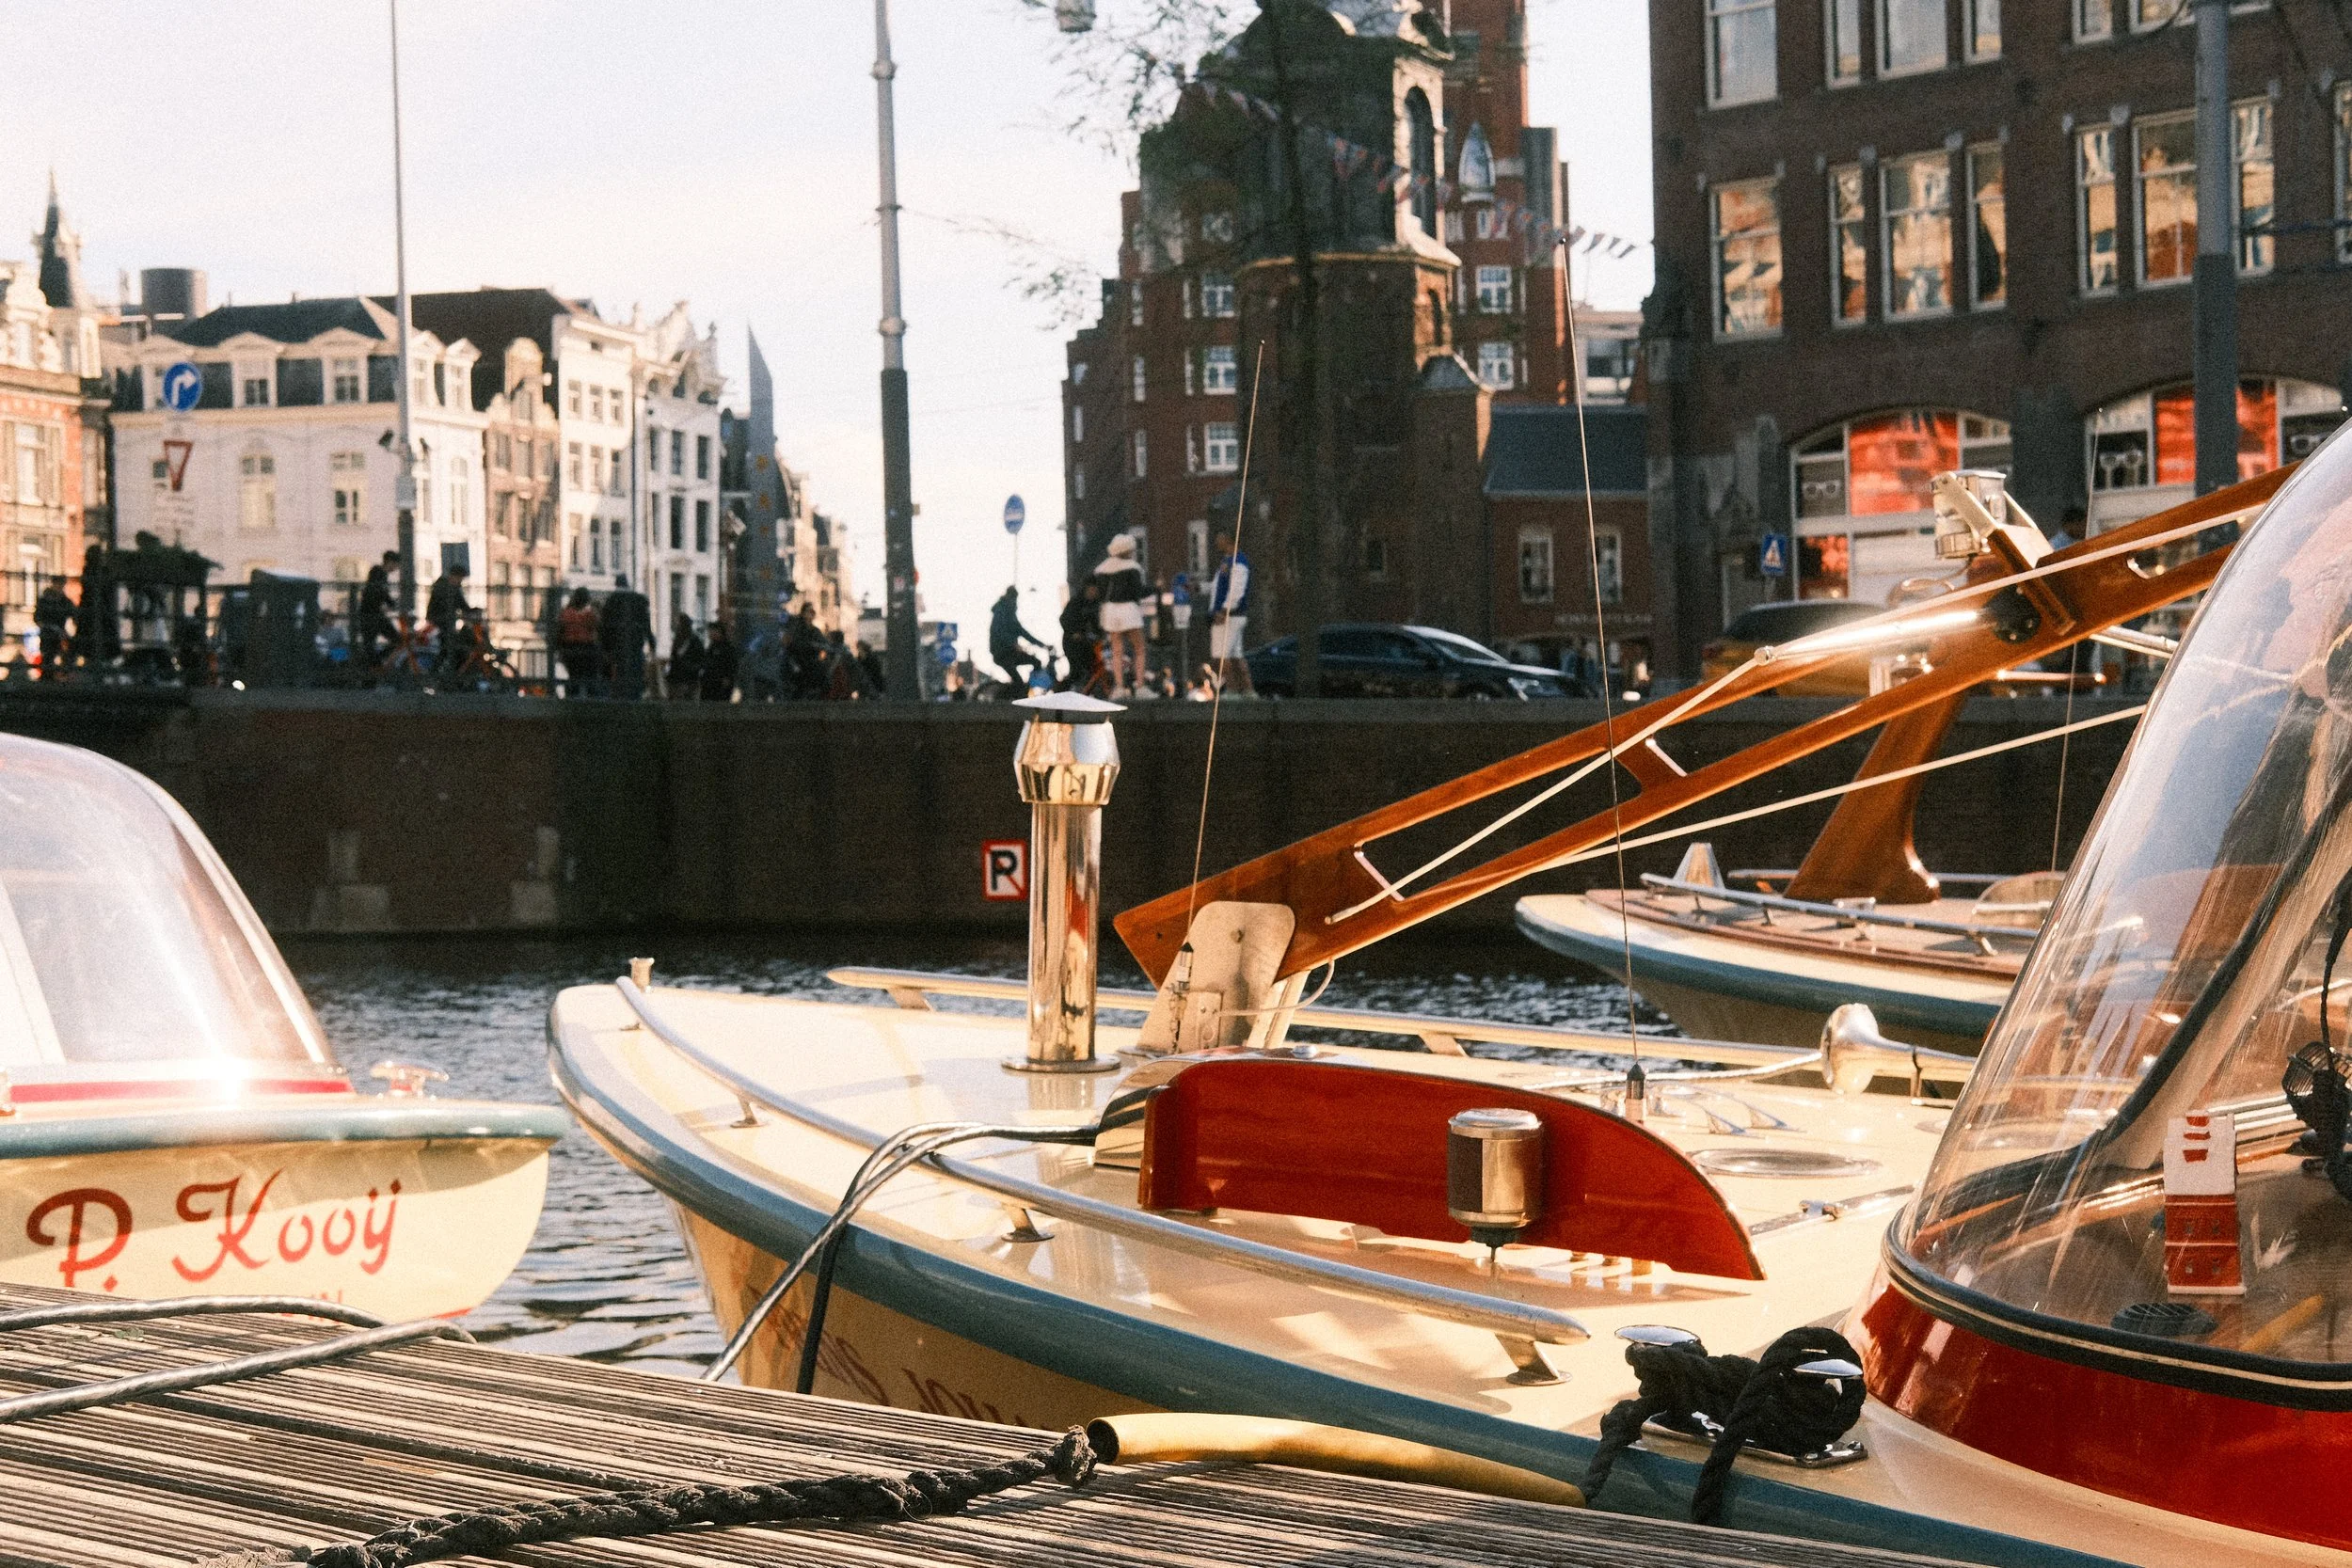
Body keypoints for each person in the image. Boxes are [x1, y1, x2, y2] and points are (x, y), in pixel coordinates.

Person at [1092, 535, 1149, 697]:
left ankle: (1119, 686)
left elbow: (1100, 594)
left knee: (1117, 650)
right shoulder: (1132, 567)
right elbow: (1138, 592)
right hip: (1129, 610)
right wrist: (1155, 589)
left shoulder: (1102, 569)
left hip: (1110, 612)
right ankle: (1140, 686)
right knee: (1139, 649)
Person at [1209, 531, 1254, 695]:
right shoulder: (1226, 562)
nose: (1216, 541)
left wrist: (1224, 610)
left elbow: (1236, 590)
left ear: (1229, 539)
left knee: (1222, 654)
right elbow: (1218, 588)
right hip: (1231, 615)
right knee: (1235, 655)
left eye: (1220, 537)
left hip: (1231, 616)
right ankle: (1248, 690)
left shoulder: (1238, 562)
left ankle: (1232, 690)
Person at [599, 574, 656, 699]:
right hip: (635, 647)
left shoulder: (610, 602)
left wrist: (606, 649)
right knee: (635, 678)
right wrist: (652, 645)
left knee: (619, 678)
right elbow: (646, 626)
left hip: (617, 648)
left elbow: (604, 629)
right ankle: (635, 698)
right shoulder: (639, 600)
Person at [988, 585, 1050, 692]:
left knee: (1036, 662)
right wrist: (1013, 644)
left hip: (1008, 651)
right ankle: (1011, 695)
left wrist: (1042, 645)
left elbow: (1022, 632)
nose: (1014, 601)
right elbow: (999, 632)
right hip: (1002, 652)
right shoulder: (1001, 610)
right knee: (1019, 681)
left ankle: (1025, 690)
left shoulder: (1010, 613)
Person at [425, 562, 471, 673]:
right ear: (454, 576)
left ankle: (442, 673)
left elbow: (463, 606)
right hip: (441, 623)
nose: (461, 582)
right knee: (450, 648)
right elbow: (453, 605)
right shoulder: (444, 587)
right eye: (460, 578)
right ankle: (440, 674)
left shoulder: (451, 587)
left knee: (448, 649)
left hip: (445, 623)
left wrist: (472, 610)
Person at [1060, 578, 1104, 694]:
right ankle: (1063, 690)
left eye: (1096, 590)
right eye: (1091, 590)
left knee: (1093, 667)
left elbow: (1095, 624)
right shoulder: (1076, 602)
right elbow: (1064, 619)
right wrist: (1073, 632)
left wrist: (1101, 635)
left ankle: (1088, 691)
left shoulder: (1094, 604)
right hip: (1072, 643)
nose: (1093, 593)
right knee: (1077, 670)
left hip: (1086, 642)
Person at [557, 588, 601, 697]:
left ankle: (572, 697)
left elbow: (560, 631)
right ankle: (591, 699)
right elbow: (598, 626)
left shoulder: (566, 613)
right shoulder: (590, 615)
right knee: (590, 677)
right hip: (587, 648)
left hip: (570, 648)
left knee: (574, 676)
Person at [357, 550, 398, 667]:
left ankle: (376, 665)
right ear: (390, 562)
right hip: (371, 615)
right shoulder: (378, 572)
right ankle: (376, 665)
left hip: (374, 614)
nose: (396, 568)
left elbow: (381, 592)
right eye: (395, 565)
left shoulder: (379, 573)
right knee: (393, 640)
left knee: (371, 645)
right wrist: (391, 603)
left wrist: (390, 603)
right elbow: (381, 591)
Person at [33, 577, 73, 678]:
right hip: (48, 634)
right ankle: (49, 675)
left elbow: (73, 615)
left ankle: (59, 674)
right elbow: (37, 618)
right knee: (48, 656)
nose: (60, 587)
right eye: (58, 584)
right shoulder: (46, 601)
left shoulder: (64, 601)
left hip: (59, 634)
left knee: (64, 654)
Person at [666, 612, 706, 700]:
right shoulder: (677, 640)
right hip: (677, 677)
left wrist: (693, 668)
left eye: (679, 624)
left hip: (689, 677)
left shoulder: (694, 640)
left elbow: (701, 658)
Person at [700, 620, 739, 702]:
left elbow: (732, 665)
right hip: (709, 682)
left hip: (721, 683)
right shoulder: (711, 647)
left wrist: (728, 678)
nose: (710, 633)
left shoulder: (727, 648)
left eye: (713, 631)